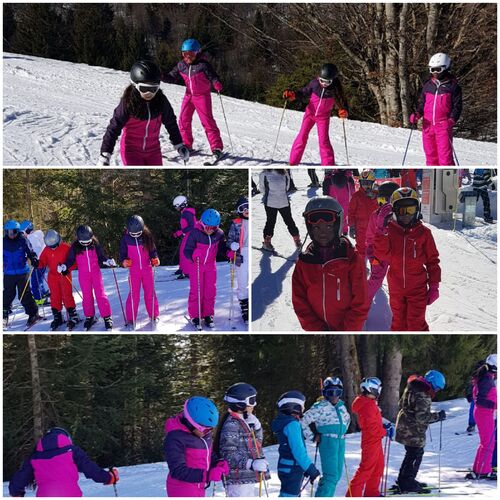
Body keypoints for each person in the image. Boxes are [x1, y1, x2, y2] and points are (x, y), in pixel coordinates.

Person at [292, 196, 369, 331]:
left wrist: (345, 332)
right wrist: (317, 329)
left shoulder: (350, 258)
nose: (322, 232)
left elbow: (360, 302)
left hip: (346, 328)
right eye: (316, 227)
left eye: (328, 226)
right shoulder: (305, 262)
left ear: (337, 225)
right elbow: (300, 302)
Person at [373, 187, 441, 331]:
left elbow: (432, 261)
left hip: (417, 287)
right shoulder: (390, 230)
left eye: (410, 210)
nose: (406, 216)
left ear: (417, 209)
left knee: (416, 323)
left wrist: (434, 285)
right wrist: (381, 231)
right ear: (394, 212)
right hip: (396, 286)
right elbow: (382, 254)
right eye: (401, 211)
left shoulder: (423, 233)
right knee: (398, 322)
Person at [99, 60, 188, 166]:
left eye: (153, 89)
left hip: (153, 151)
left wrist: (179, 145)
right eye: (144, 88)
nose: (149, 93)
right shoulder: (128, 102)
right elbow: (114, 127)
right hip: (131, 151)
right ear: (135, 85)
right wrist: (105, 154)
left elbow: (171, 123)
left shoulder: (160, 101)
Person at [162, 39, 225, 164]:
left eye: (190, 54)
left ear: (197, 53)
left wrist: (216, 83)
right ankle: (186, 144)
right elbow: (171, 77)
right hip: (189, 95)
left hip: (202, 96)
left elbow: (213, 76)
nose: (187, 57)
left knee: (207, 121)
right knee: (183, 120)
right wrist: (160, 76)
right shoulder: (181, 65)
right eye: (185, 54)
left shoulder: (203, 65)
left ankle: (216, 147)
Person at [9, 426, 118, 497]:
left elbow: (20, 479)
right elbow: (90, 469)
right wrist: (109, 477)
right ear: (67, 438)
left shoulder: (36, 456)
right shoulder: (72, 451)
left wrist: (16, 493)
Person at [283, 63, 348, 166]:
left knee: (323, 141)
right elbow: (304, 92)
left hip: (323, 117)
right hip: (310, 114)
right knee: (302, 136)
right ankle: (293, 162)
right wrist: (294, 95)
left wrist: (343, 110)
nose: (324, 84)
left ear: (333, 80)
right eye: (321, 80)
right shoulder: (315, 84)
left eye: (327, 82)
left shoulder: (335, 89)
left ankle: (328, 165)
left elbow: (342, 101)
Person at [163, 396, 229, 497]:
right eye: (206, 429)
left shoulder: (202, 433)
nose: (208, 432)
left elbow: (208, 453)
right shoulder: (175, 437)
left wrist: (217, 462)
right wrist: (207, 475)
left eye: (211, 429)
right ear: (191, 423)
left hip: (198, 485)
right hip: (181, 489)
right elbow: (177, 470)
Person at [394, 370, 446, 493]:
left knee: (411, 454)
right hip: (413, 431)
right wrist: (438, 416)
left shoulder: (411, 387)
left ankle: (404, 479)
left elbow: (401, 403)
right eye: (437, 387)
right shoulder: (423, 394)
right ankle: (407, 482)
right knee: (415, 454)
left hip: (404, 426)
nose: (437, 391)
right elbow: (421, 417)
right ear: (432, 383)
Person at [214, 383, 269, 496]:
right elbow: (228, 455)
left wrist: (257, 429)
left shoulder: (244, 421)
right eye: (252, 401)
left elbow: (256, 445)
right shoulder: (231, 425)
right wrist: (251, 463)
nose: (254, 405)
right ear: (240, 404)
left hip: (247, 478)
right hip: (237, 481)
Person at [409, 53, 462, 166]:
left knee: (445, 158)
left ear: (446, 68)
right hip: (427, 126)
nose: (435, 73)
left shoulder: (453, 87)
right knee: (430, 157)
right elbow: (422, 104)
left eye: (438, 69)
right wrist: (417, 114)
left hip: (442, 126)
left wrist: (451, 121)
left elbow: (457, 107)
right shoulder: (428, 86)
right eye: (432, 70)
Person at [301, 377, 351, 496]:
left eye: (337, 392)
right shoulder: (320, 406)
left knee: (337, 475)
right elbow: (302, 421)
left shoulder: (341, 406)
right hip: (328, 442)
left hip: (340, 441)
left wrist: (341, 433)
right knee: (331, 476)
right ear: (325, 393)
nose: (334, 396)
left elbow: (347, 420)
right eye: (330, 392)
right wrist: (312, 436)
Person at [61, 225, 115, 331]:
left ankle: (107, 316)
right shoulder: (75, 246)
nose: (86, 243)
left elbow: (101, 257)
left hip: (95, 273)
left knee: (101, 294)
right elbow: (70, 260)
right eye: (83, 242)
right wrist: (64, 266)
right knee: (87, 295)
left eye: (88, 241)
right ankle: (89, 316)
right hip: (83, 275)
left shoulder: (95, 244)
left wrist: (107, 261)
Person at [346, 377, 393, 497]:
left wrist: (384, 424)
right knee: (366, 469)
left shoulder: (369, 403)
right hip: (371, 442)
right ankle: (352, 495)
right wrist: (384, 431)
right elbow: (372, 429)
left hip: (375, 441)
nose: (379, 392)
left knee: (378, 467)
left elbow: (374, 421)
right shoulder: (368, 406)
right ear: (371, 389)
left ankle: (371, 492)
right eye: (378, 389)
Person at [271, 390, 321, 497]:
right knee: (289, 495)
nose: (303, 409)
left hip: (286, 466)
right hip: (292, 469)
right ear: (294, 406)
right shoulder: (292, 424)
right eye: (302, 406)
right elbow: (298, 452)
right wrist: (310, 469)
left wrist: (304, 467)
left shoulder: (284, 422)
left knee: (287, 494)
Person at [183, 208, 226, 329]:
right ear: (202, 223)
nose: (209, 230)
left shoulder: (219, 234)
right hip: (196, 265)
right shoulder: (195, 233)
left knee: (210, 290)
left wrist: (229, 253)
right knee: (196, 290)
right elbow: (187, 250)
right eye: (207, 227)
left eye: (213, 228)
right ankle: (195, 315)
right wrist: (193, 254)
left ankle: (208, 314)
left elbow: (222, 248)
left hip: (211, 266)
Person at [119, 215, 160, 327]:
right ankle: (131, 319)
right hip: (134, 271)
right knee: (134, 294)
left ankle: (154, 315)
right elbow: (122, 255)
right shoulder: (125, 239)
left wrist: (155, 259)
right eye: (133, 234)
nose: (136, 236)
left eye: (138, 234)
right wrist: (124, 262)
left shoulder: (147, 236)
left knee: (150, 292)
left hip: (147, 269)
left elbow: (153, 251)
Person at [365, 181, 400, 303]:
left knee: (399, 281)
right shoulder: (376, 215)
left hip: (396, 255)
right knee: (375, 279)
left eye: (388, 202)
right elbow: (369, 238)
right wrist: (371, 255)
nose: (385, 206)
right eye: (381, 201)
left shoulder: (401, 217)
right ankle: (362, 305)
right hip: (379, 256)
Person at [38, 229, 80, 330]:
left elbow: (74, 262)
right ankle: (57, 316)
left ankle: (73, 314)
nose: (53, 248)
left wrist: (67, 269)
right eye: (50, 246)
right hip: (52, 276)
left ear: (59, 240)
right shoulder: (46, 250)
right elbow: (42, 261)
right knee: (55, 296)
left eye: (55, 246)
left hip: (64, 275)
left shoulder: (65, 247)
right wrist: (37, 263)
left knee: (66, 294)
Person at [3, 220, 40, 327]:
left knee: (24, 294)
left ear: (17, 231)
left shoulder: (23, 240)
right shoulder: (3, 242)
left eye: (13, 231)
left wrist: (33, 258)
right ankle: (4, 315)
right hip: (8, 273)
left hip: (22, 272)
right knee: (7, 295)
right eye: (8, 232)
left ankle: (33, 313)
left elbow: (30, 252)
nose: (11, 234)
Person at [467, 354, 497, 479]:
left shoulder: (486, 376)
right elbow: (480, 400)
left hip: (484, 413)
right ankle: (483, 471)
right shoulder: (486, 379)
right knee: (489, 443)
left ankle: (479, 468)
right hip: (484, 413)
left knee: (486, 442)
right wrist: (494, 404)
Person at [259, 169, 301, 252]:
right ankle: (297, 239)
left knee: (270, 222)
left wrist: (267, 195)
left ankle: (267, 242)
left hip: (271, 202)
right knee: (289, 220)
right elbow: (287, 187)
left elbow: (262, 188)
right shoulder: (284, 173)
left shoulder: (264, 173)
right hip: (283, 201)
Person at [227, 197, 249, 324]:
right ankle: (245, 308)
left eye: (248, 207)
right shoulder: (236, 223)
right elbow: (229, 240)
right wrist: (232, 245)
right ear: (239, 211)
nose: (246, 210)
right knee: (242, 281)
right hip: (241, 254)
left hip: (251, 252)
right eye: (243, 208)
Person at [348, 169, 378, 259]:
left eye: (368, 183)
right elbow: (351, 212)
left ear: (373, 183)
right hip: (360, 229)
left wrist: (374, 198)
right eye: (364, 183)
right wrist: (352, 226)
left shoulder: (377, 196)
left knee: (374, 249)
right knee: (361, 249)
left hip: (374, 229)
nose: (366, 186)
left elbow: (381, 209)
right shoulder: (356, 196)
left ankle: (375, 268)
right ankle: (361, 267)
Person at [19, 220, 49, 306]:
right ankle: (42, 292)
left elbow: (32, 250)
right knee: (39, 278)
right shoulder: (38, 234)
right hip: (42, 261)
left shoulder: (31, 238)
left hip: (37, 262)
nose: (22, 234)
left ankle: (38, 299)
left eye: (23, 232)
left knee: (35, 281)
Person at [322, 170, 355, 234]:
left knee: (333, 216)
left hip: (332, 200)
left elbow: (325, 191)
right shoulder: (348, 178)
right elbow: (353, 191)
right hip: (346, 200)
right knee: (344, 216)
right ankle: (345, 232)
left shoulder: (329, 178)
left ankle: (334, 232)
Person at [172, 195, 197, 280]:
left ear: (182, 205)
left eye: (177, 206)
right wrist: (181, 232)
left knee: (185, 252)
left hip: (190, 235)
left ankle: (187, 272)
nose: (176, 208)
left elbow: (193, 225)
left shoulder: (187, 213)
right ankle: (182, 268)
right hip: (187, 234)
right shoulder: (185, 212)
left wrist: (181, 232)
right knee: (182, 251)